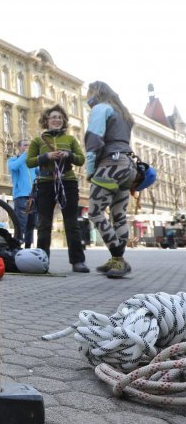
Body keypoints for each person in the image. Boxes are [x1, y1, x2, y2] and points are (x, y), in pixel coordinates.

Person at [26, 105, 89, 273]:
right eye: (53, 117)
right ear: (46, 120)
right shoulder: (38, 140)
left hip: (67, 182)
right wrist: (46, 156)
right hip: (45, 183)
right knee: (44, 224)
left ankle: (78, 262)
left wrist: (69, 155)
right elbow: (29, 161)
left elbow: (81, 160)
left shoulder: (70, 140)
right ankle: (41, 262)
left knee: (72, 223)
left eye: (60, 118)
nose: (57, 120)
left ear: (64, 122)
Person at [84, 81, 137, 278]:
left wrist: (90, 170)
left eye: (89, 93)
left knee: (95, 213)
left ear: (97, 92)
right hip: (127, 166)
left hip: (110, 166)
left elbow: (94, 140)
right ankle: (118, 260)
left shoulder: (100, 108)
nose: (87, 98)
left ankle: (118, 258)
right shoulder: (124, 114)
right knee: (119, 214)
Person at [7, 139, 40, 248]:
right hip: (21, 196)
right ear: (19, 147)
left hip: (34, 196)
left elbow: (40, 172)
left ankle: (28, 247)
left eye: (29, 145)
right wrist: (25, 155)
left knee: (32, 224)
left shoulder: (32, 162)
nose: (28, 147)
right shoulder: (13, 160)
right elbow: (13, 167)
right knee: (21, 224)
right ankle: (17, 247)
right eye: (26, 145)